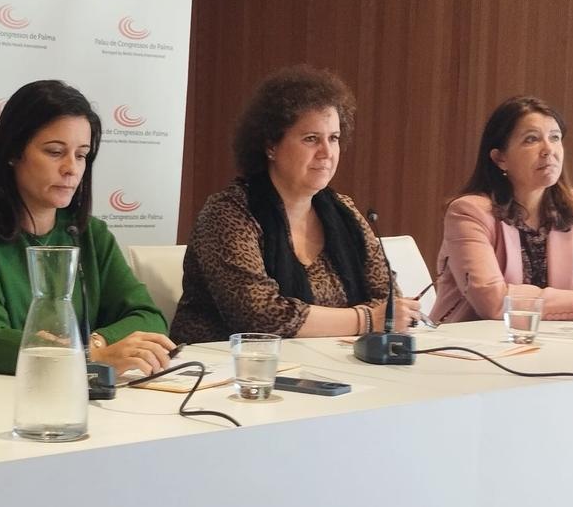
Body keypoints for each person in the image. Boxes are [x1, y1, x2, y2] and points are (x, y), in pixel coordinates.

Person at [0, 79, 172, 375]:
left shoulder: (89, 234)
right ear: (13, 152)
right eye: (55, 152)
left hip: (66, 393)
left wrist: (97, 344)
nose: (71, 168)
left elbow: (148, 317)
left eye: (81, 155)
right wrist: (91, 356)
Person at [171, 65, 418, 343]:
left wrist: (381, 317)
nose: (327, 152)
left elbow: (389, 298)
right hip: (228, 372)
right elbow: (261, 317)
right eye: (311, 139)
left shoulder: (344, 211)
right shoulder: (228, 213)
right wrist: (367, 320)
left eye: (333, 138)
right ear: (271, 146)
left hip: (328, 364)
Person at [430, 95, 573, 324]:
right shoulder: (468, 213)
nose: (548, 149)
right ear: (500, 158)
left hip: (549, 348)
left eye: (555, 137)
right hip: (469, 350)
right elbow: (493, 302)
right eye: (531, 139)